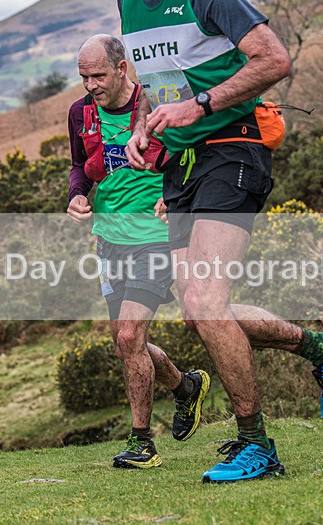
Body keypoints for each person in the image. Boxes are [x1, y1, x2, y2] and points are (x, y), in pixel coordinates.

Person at [119, 0, 323, 483]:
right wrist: (142, 127)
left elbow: (274, 60)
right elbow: (154, 82)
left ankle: (257, 445)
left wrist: (199, 104)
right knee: (196, 313)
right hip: (182, 166)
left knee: (206, 301)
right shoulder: (129, 6)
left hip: (233, 147)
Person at [67, 34, 210, 469]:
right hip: (110, 239)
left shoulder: (158, 104)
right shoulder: (80, 113)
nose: (90, 85)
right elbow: (79, 166)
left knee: (130, 336)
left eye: (98, 75)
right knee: (126, 343)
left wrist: (175, 195)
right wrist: (77, 195)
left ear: (122, 68)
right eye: (84, 76)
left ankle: (142, 442)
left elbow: (192, 158)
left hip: (157, 237)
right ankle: (185, 386)